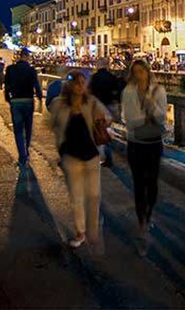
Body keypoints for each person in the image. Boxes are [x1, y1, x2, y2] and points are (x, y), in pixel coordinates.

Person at [48, 70, 111, 248]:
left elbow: (107, 118)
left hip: (91, 154)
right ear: (69, 85)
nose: (80, 86)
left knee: (94, 195)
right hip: (71, 156)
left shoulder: (91, 102)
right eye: (77, 82)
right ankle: (80, 232)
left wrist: (103, 120)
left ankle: (93, 228)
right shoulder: (59, 104)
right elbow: (51, 124)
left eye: (83, 82)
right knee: (76, 196)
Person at [122, 59, 167, 256]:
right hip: (136, 143)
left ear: (148, 72)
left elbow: (162, 117)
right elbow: (130, 121)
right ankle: (142, 223)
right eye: (136, 72)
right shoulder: (128, 92)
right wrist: (147, 117)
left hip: (154, 143)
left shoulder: (159, 91)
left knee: (152, 183)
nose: (139, 75)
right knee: (139, 184)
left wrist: (151, 106)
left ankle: (148, 213)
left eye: (142, 71)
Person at [4, 49, 43, 168]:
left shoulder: (10, 69)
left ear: (18, 57)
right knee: (28, 128)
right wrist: (40, 99)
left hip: (16, 101)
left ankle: (22, 156)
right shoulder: (31, 70)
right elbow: (36, 86)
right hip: (28, 101)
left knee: (18, 130)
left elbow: (7, 86)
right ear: (27, 57)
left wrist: (9, 99)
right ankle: (26, 151)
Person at [89, 57, 125, 168]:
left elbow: (90, 94)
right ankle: (108, 156)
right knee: (107, 130)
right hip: (111, 107)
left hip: (99, 108)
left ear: (98, 65)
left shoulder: (94, 78)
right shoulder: (112, 77)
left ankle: (103, 157)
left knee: (99, 132)